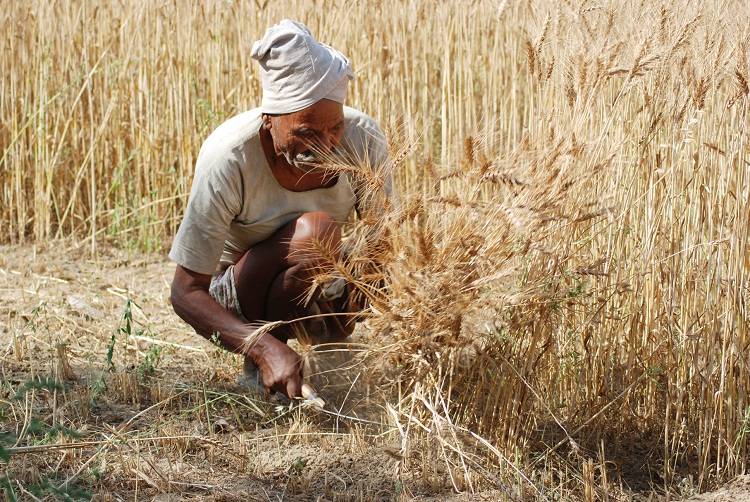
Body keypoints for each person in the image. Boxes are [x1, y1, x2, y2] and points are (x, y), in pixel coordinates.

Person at [168, 20, 391, 399]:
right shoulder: (229, 156)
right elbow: (185, 292)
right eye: (306, 132)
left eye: (334, 127)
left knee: (371, 252)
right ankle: (268, 364)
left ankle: (327, 357)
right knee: (315, 233)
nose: (325, 145)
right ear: (269, 119)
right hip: (236, 298)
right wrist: (261, 346)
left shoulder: (363, 138)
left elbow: (386, 243)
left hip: (323, 280)